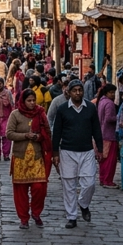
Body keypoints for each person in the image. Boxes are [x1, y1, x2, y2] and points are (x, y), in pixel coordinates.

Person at [51, 80, 104, 228]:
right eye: (74, 90)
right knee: (69, 185)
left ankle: (83, 203)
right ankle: (71, 216)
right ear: (68, 92)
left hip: (87, 151)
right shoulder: (62, 109)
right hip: (67, 151)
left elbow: (96, 129)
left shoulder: (90, 108)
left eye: (80, 90)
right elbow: (57, 132)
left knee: (90, 183)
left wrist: (100, 148)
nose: (78, 93)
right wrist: (55, 153)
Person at [6, 90, 53, 229]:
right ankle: (24, 218)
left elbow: (47, 132)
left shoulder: (40, 113)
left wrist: (38, 137)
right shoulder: (15, 114)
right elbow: (9, 134)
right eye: (29, 101)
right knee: (20, 190)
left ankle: (36, 212)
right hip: (21, 157)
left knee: (39, 187)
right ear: (23, 101)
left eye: (34, 100)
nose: (32, 103)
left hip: (37, 157)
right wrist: (25, 135)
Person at [96, 84, 119, 189]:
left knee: (103, 159)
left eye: (114, 92)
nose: (113, 94)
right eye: (111, 92)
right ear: (106, 93)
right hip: (109, 134)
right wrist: (119, 118)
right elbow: (109, 118)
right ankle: (107, 180)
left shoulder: (101, 101)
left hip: (102, 133)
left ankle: (102, 179)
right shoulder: (109, 103)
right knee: (110, 160)